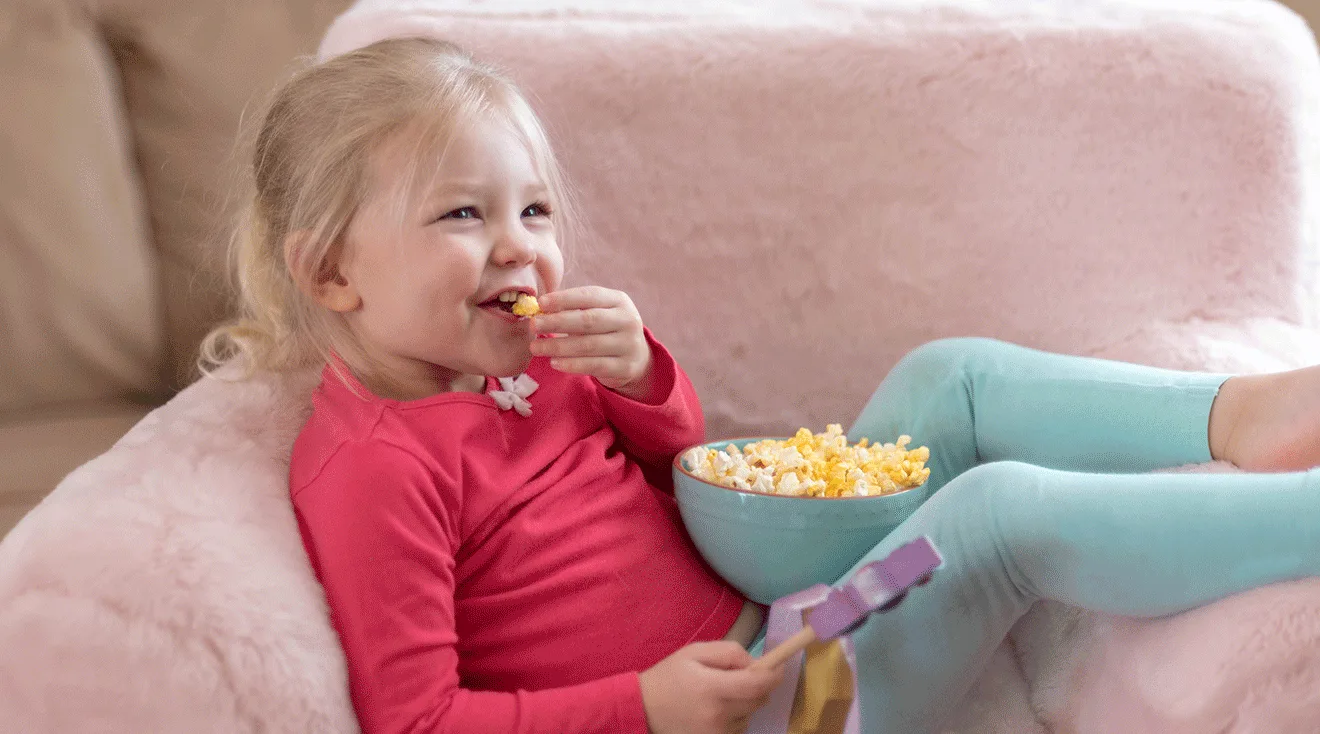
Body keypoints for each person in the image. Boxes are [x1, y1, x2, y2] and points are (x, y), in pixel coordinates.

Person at [201, 35, 1320, 734]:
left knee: (950, 377)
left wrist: (641, 374)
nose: (520, 249)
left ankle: (1242, 413)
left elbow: (673, 463)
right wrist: (643, 708)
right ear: (331, 271)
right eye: (462, 213)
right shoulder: (375, 470)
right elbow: (416, 719)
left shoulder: (533, 359)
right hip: (790, 692)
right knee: (996, 515)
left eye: (533, 210)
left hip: (779, 588)